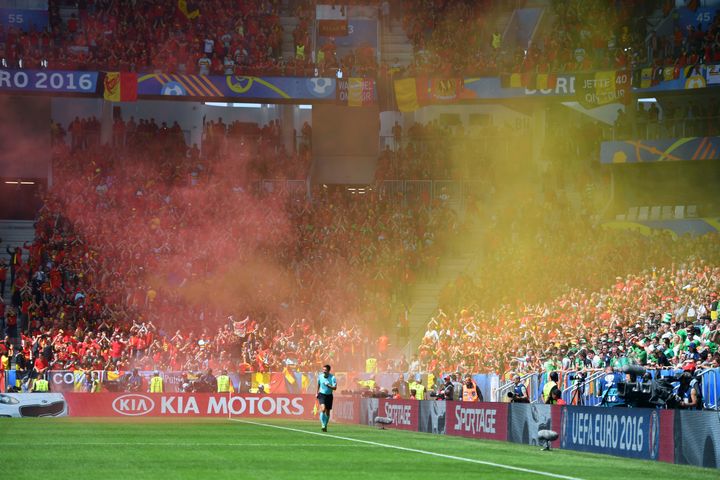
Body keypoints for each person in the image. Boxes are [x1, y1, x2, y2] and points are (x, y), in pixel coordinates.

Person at [317, 364, 337, 432]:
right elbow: (318, 384)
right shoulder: (320, 376)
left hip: (329, 395)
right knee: (323, 409)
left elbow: (335, 388)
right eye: (323, 370)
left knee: (327, 412)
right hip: (322, 394)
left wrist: (329, 386)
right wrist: (317, 392)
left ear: (329, 371)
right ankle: (323, 424)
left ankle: (325, 425)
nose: (324, 371)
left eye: (325, 370)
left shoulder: (332, 378)